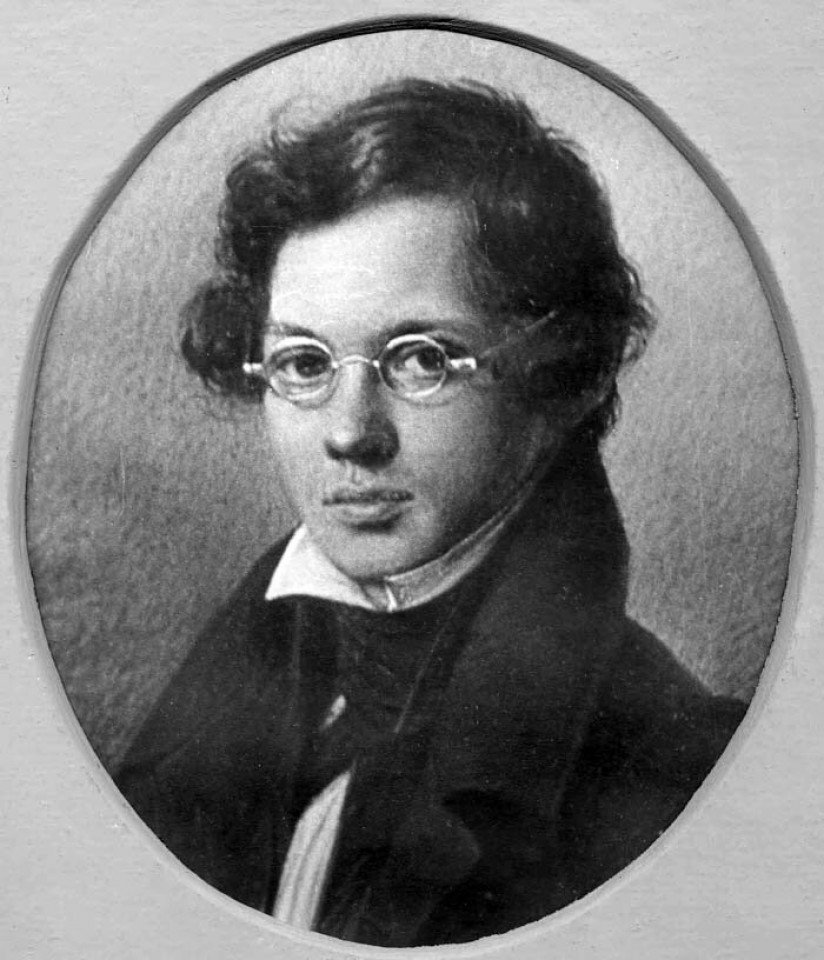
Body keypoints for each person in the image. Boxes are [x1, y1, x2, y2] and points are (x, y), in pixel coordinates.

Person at [116, 78, 745, 946]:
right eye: (304, 364)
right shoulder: (237, 685)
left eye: (422, 360)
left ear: (569, 374)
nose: (350, 433)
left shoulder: (671, 772)